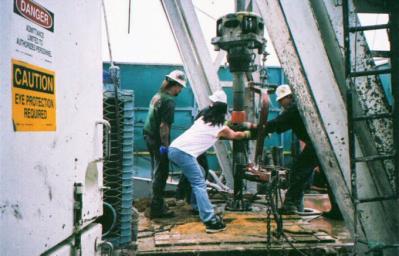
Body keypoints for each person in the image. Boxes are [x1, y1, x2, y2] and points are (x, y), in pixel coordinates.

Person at [168, 90, 253, 233]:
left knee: (200, 173)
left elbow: (221, 125)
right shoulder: (220, 127)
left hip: (174, 149)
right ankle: (210, 221)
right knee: (199, 184)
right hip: (184, 153)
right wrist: (250, 132)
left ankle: (196, 206)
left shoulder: (202, 119)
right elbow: (235, 135)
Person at [264, 84, 321, 214]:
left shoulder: (294, 108)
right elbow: (282, 125)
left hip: (318, 144)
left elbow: (278, 123)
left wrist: (257, 128)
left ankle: (290, 205)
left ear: (288, 97)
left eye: (281, 101)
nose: (280, 104)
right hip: (317, 143)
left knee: (299, 171)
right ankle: (294, 204)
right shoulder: (297, 106)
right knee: (302, 172)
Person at [143, 70, 186, 219]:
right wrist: (165, 146)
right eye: (180, 87)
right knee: (162, 172)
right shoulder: (168, 101)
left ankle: (157, 202)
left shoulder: (157, 96)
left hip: (148, 135)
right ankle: (157, 208)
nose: (180, 91)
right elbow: (164, 126)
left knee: (157, 170)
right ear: (174, 85)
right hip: (157, 140)